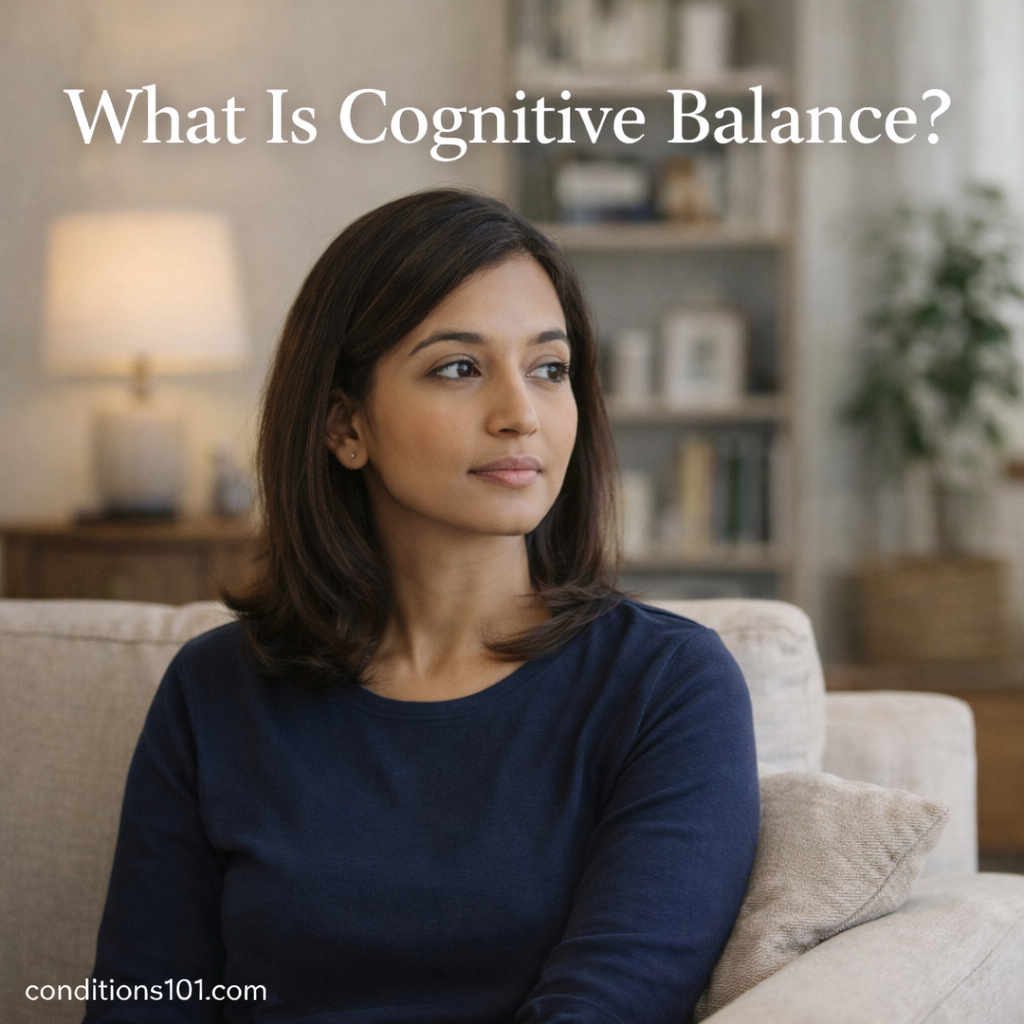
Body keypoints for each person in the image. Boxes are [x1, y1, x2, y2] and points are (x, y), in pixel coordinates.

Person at [83, 189, 759, 1024]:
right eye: (459, 368)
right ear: (344, 426)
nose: (520, 415)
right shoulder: (214, 690)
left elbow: (608, 1007)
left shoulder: (668, 686)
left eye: (549, 369)